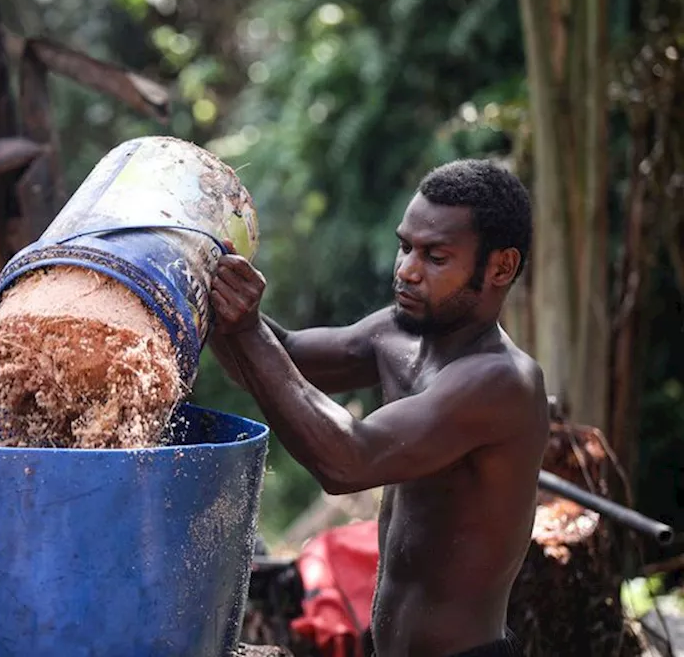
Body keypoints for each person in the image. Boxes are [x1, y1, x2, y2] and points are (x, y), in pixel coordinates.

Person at [208, 159, 548, 657]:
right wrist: (206, 279)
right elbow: (273, 362)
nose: (407, 269)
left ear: (501, 267)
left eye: (435, 257)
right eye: (405, 246)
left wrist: (245, 329)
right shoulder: (398, 332)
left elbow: (348, 460)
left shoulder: (502, 382)